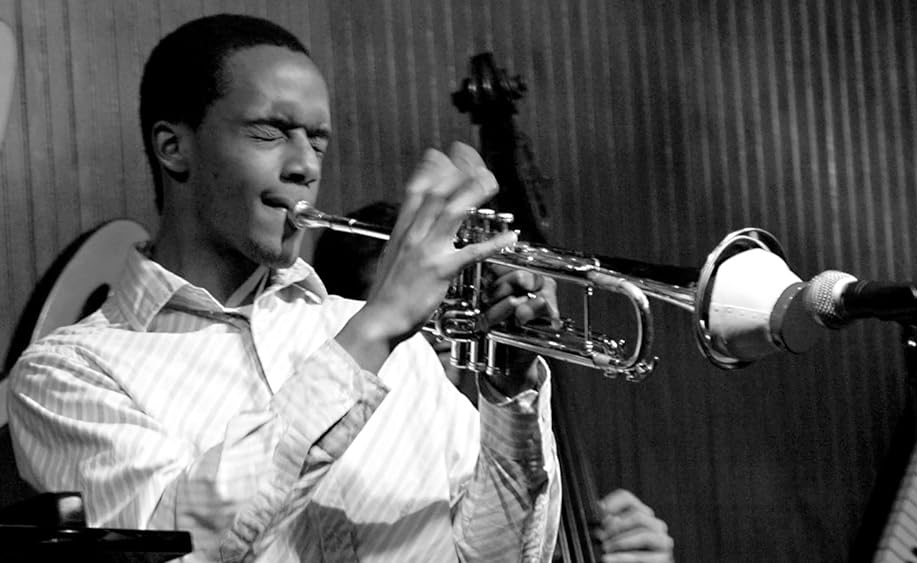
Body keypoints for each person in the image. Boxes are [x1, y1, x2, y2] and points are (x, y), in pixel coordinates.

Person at [7, 14, 562, 562]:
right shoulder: (67, 372)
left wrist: (509, 394)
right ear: (174, 147)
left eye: (317, 142)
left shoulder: (400, 348)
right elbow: (180, 541)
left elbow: (503, 556)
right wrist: (376, 328)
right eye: (270, 132)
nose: (304, 166)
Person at [315, 202, 675, 562]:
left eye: (447, 297)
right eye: (412, 307)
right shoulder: (336, 466)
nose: (441, 323)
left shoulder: (488, 446)